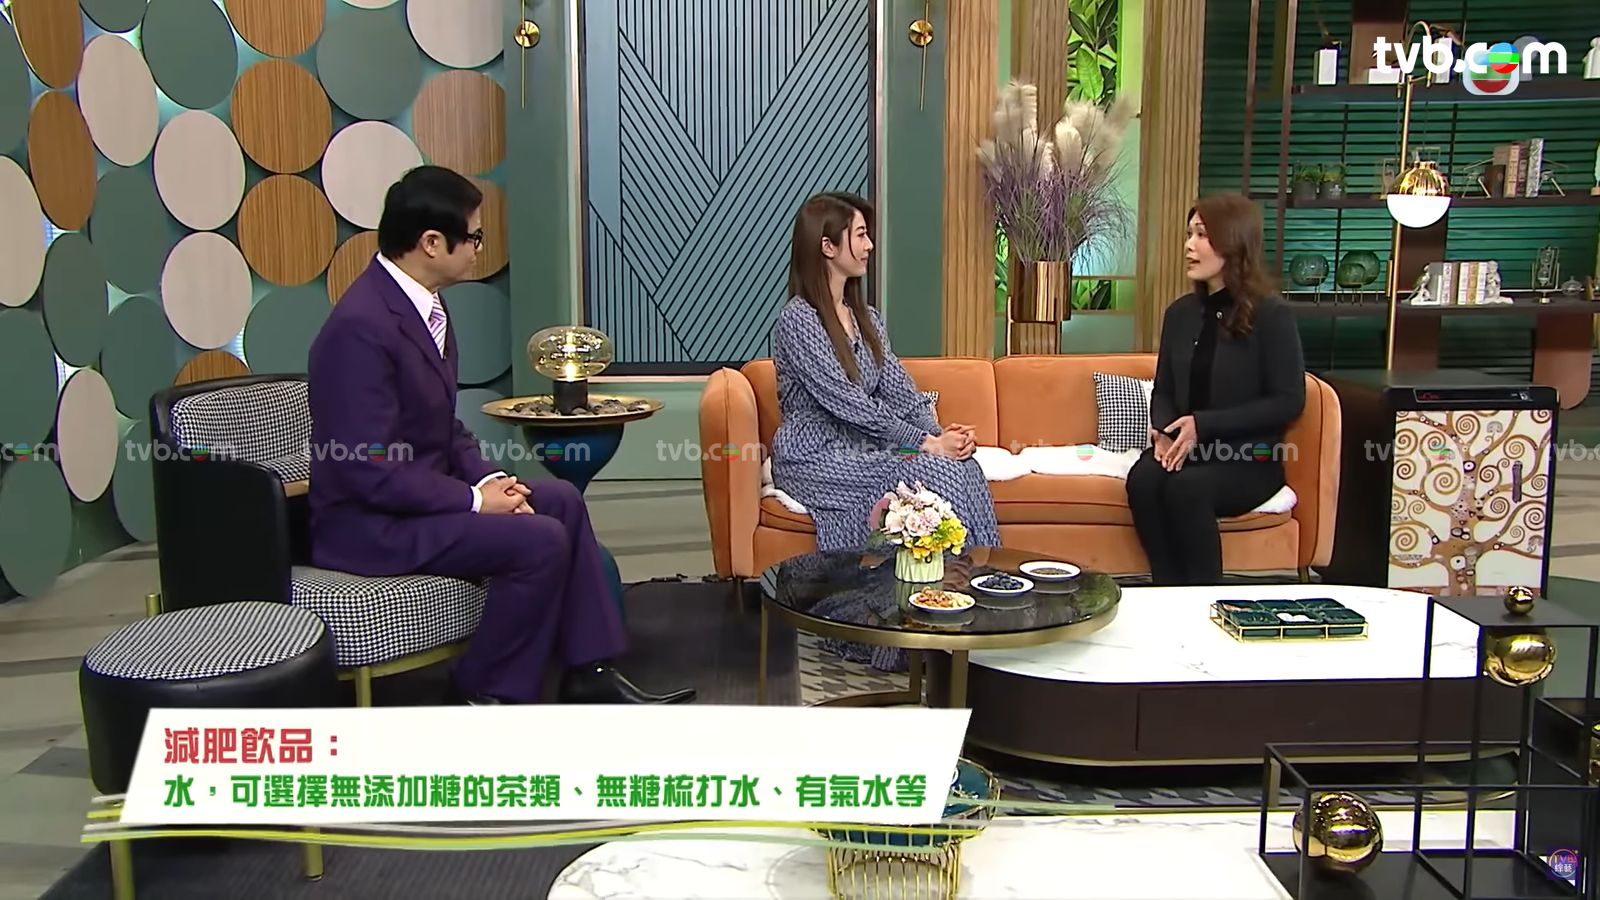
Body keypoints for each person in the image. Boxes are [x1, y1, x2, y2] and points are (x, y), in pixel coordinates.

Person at [306, 165, 694, 705]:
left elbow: (442, 425)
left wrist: (491, 481)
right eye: (474, 237)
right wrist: (472, 500)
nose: (479, 249)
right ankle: (484, 692)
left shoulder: (425, 307)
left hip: (418, 505)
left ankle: (589, 674)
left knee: (560, 501)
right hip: (371, 526)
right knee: (539, 541)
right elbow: (368, 466)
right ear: (432, 243)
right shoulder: (359, 328)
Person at [770, 191, 1000, 559]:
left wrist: (942, 439)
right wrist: (926, 444)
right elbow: (849, 404)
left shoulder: (868, 319)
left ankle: (985, 573)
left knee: (963, 466)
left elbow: (902, 394)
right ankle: (945, 583)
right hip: (813, 457)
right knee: (936, 473)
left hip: (865, 449)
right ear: (828, 246)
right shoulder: (798, 320)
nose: (869, 246)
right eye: (860, 235)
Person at [1125, 194, 1306, 586]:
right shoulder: (1180, 314)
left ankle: (1204, 598)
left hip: (1248, 456)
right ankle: (1167, 590)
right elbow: (1164, 389)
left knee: (1187, 489)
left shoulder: (1271, 315)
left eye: (1202, 235)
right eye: (1189, 234)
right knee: (1143, 480)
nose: (1189, 245)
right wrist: (1164, 431)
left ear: (1233, 241)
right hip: (1185, 450)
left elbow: (1288, 401)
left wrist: (1202, 426)